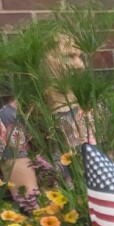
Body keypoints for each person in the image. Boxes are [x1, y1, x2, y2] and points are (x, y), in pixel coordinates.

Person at [1, 34, 90, 192]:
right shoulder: (11, 118)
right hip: (56, 213)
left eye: (79, 56)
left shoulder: (93, 107)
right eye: (69, 56)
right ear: (40, 61)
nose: (80, 65)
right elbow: (27, 195)